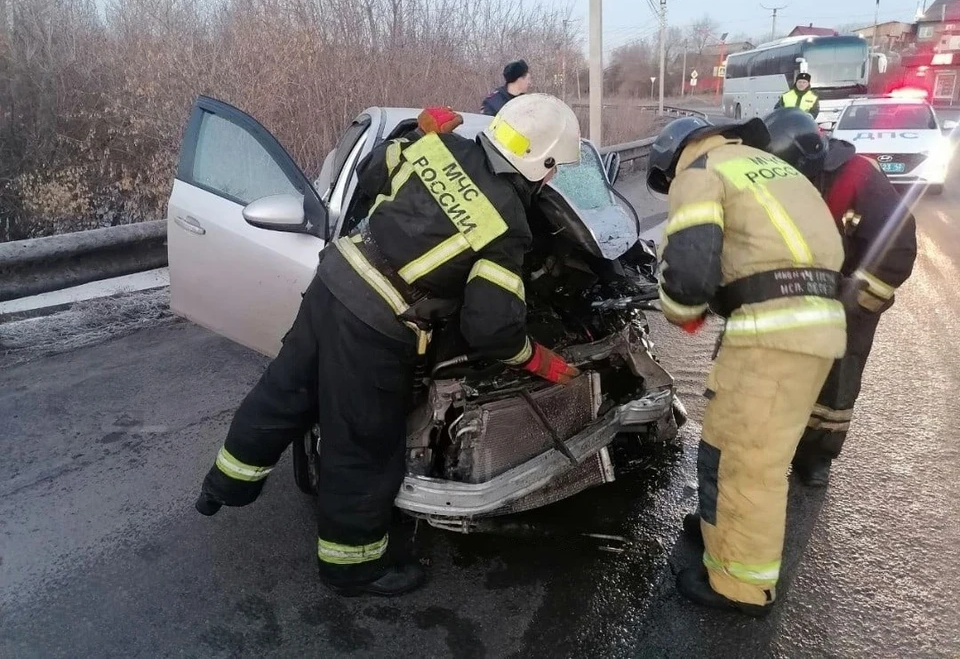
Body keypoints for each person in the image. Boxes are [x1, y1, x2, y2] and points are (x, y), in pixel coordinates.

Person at [194, 95, 582, 598]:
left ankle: (225, 485)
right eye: (555, 169)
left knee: (287, 388)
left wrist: (416, 133)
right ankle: (351, 566)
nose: (553, 180)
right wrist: (536, 359)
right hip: (376, 323)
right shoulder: (508, 225)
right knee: (362, 443)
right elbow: (491, 329)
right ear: (542, 163)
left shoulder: (441, 146)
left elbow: (372, 174)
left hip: (334, 280)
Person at [647, 115, 847, 616]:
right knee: (727, 444)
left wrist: (682, 311)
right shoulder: (765, 165)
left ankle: (739, 587)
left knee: (747, 463)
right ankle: (721, 532)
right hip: (810, 326)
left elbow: (689, 273)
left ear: (672, 157)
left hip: (772, 339)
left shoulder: (700, 170)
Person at [764, 107, 918, 486]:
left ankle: (816, 456)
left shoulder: (858, 176)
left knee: (836, 382)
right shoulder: (778, 176)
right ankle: (773, 446)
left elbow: (897, 245)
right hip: (796, 295)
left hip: (851, 299)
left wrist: (854, 301)